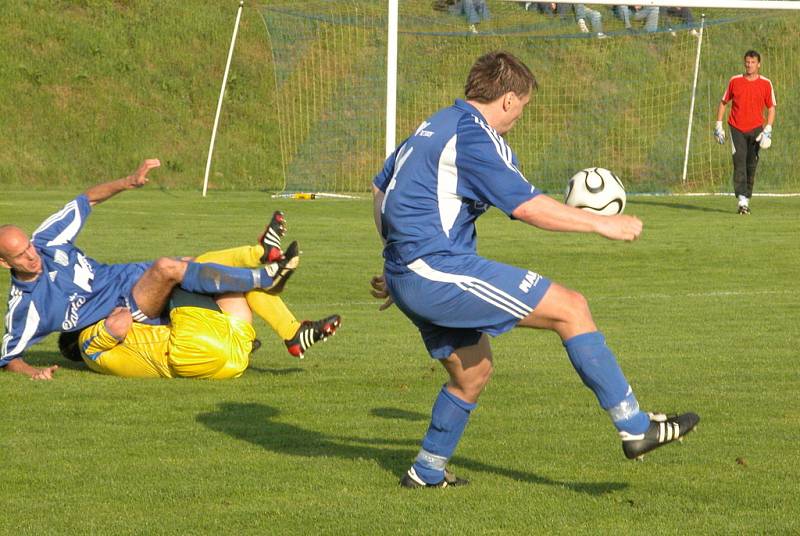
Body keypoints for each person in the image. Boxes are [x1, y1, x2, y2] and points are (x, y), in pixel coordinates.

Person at [371, 51, 699, 488]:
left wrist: (397, 262)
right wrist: (603, 224)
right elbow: (528, 207)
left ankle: (426, 470)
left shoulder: (433, 125)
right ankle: (635, 426)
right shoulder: (473, 136)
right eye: (522, 107)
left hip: (417, 271)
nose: (519, 117)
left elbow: (381, 187)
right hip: (433, 267)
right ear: (507, 99)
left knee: (474, 371)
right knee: (571, 307)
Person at [0, 160, 298, 379]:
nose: (32, 255)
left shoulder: (48, 240)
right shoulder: (26, 305)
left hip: (132, 275)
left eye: (28, 245)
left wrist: (127, 182)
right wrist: (32, 372)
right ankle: (265, 274)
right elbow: (9, 357)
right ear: (4, 263)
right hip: (129, 307)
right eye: (21, 255)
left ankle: (290, 325)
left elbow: (87, 198)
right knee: (167, 268)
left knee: (204, 264)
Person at [57, 248, 342, 379]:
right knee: (189, 274)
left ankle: (293, 332)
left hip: (231, 364)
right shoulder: (87, 343)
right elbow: (118, 326)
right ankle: (258, 255)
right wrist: (117, 312)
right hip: (188, 348)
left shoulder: (100, 360)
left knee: (234, 283)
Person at [714, 50, 776, 215]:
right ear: (744, 63)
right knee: (739, 162)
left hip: (757, 129)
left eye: (753, 62)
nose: (749, 65)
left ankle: (746, 199)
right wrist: (718, 125)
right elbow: (723, 102)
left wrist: (768, 128)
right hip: (737, 128)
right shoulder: (735, 81)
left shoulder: (766, 83)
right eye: (747, 62)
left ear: (759, 64)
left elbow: (771, 107)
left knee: (751, 165)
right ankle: (742, 201)